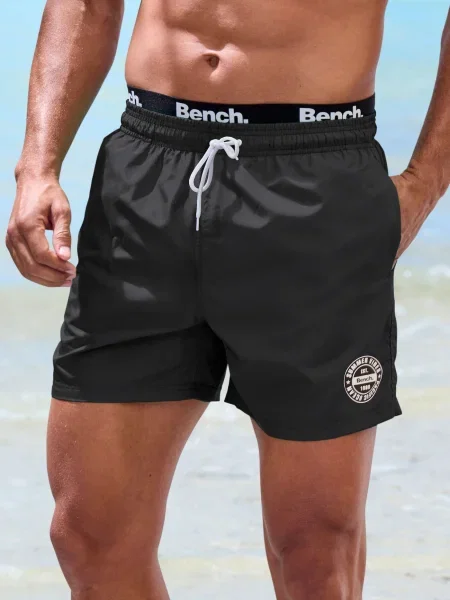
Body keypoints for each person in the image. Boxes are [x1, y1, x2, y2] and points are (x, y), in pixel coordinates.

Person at [6, 0, 450, 598]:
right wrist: (38, 164)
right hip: (147, 172)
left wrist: (425, 183)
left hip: (312, 177)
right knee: (89, 537)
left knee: (314, 553)